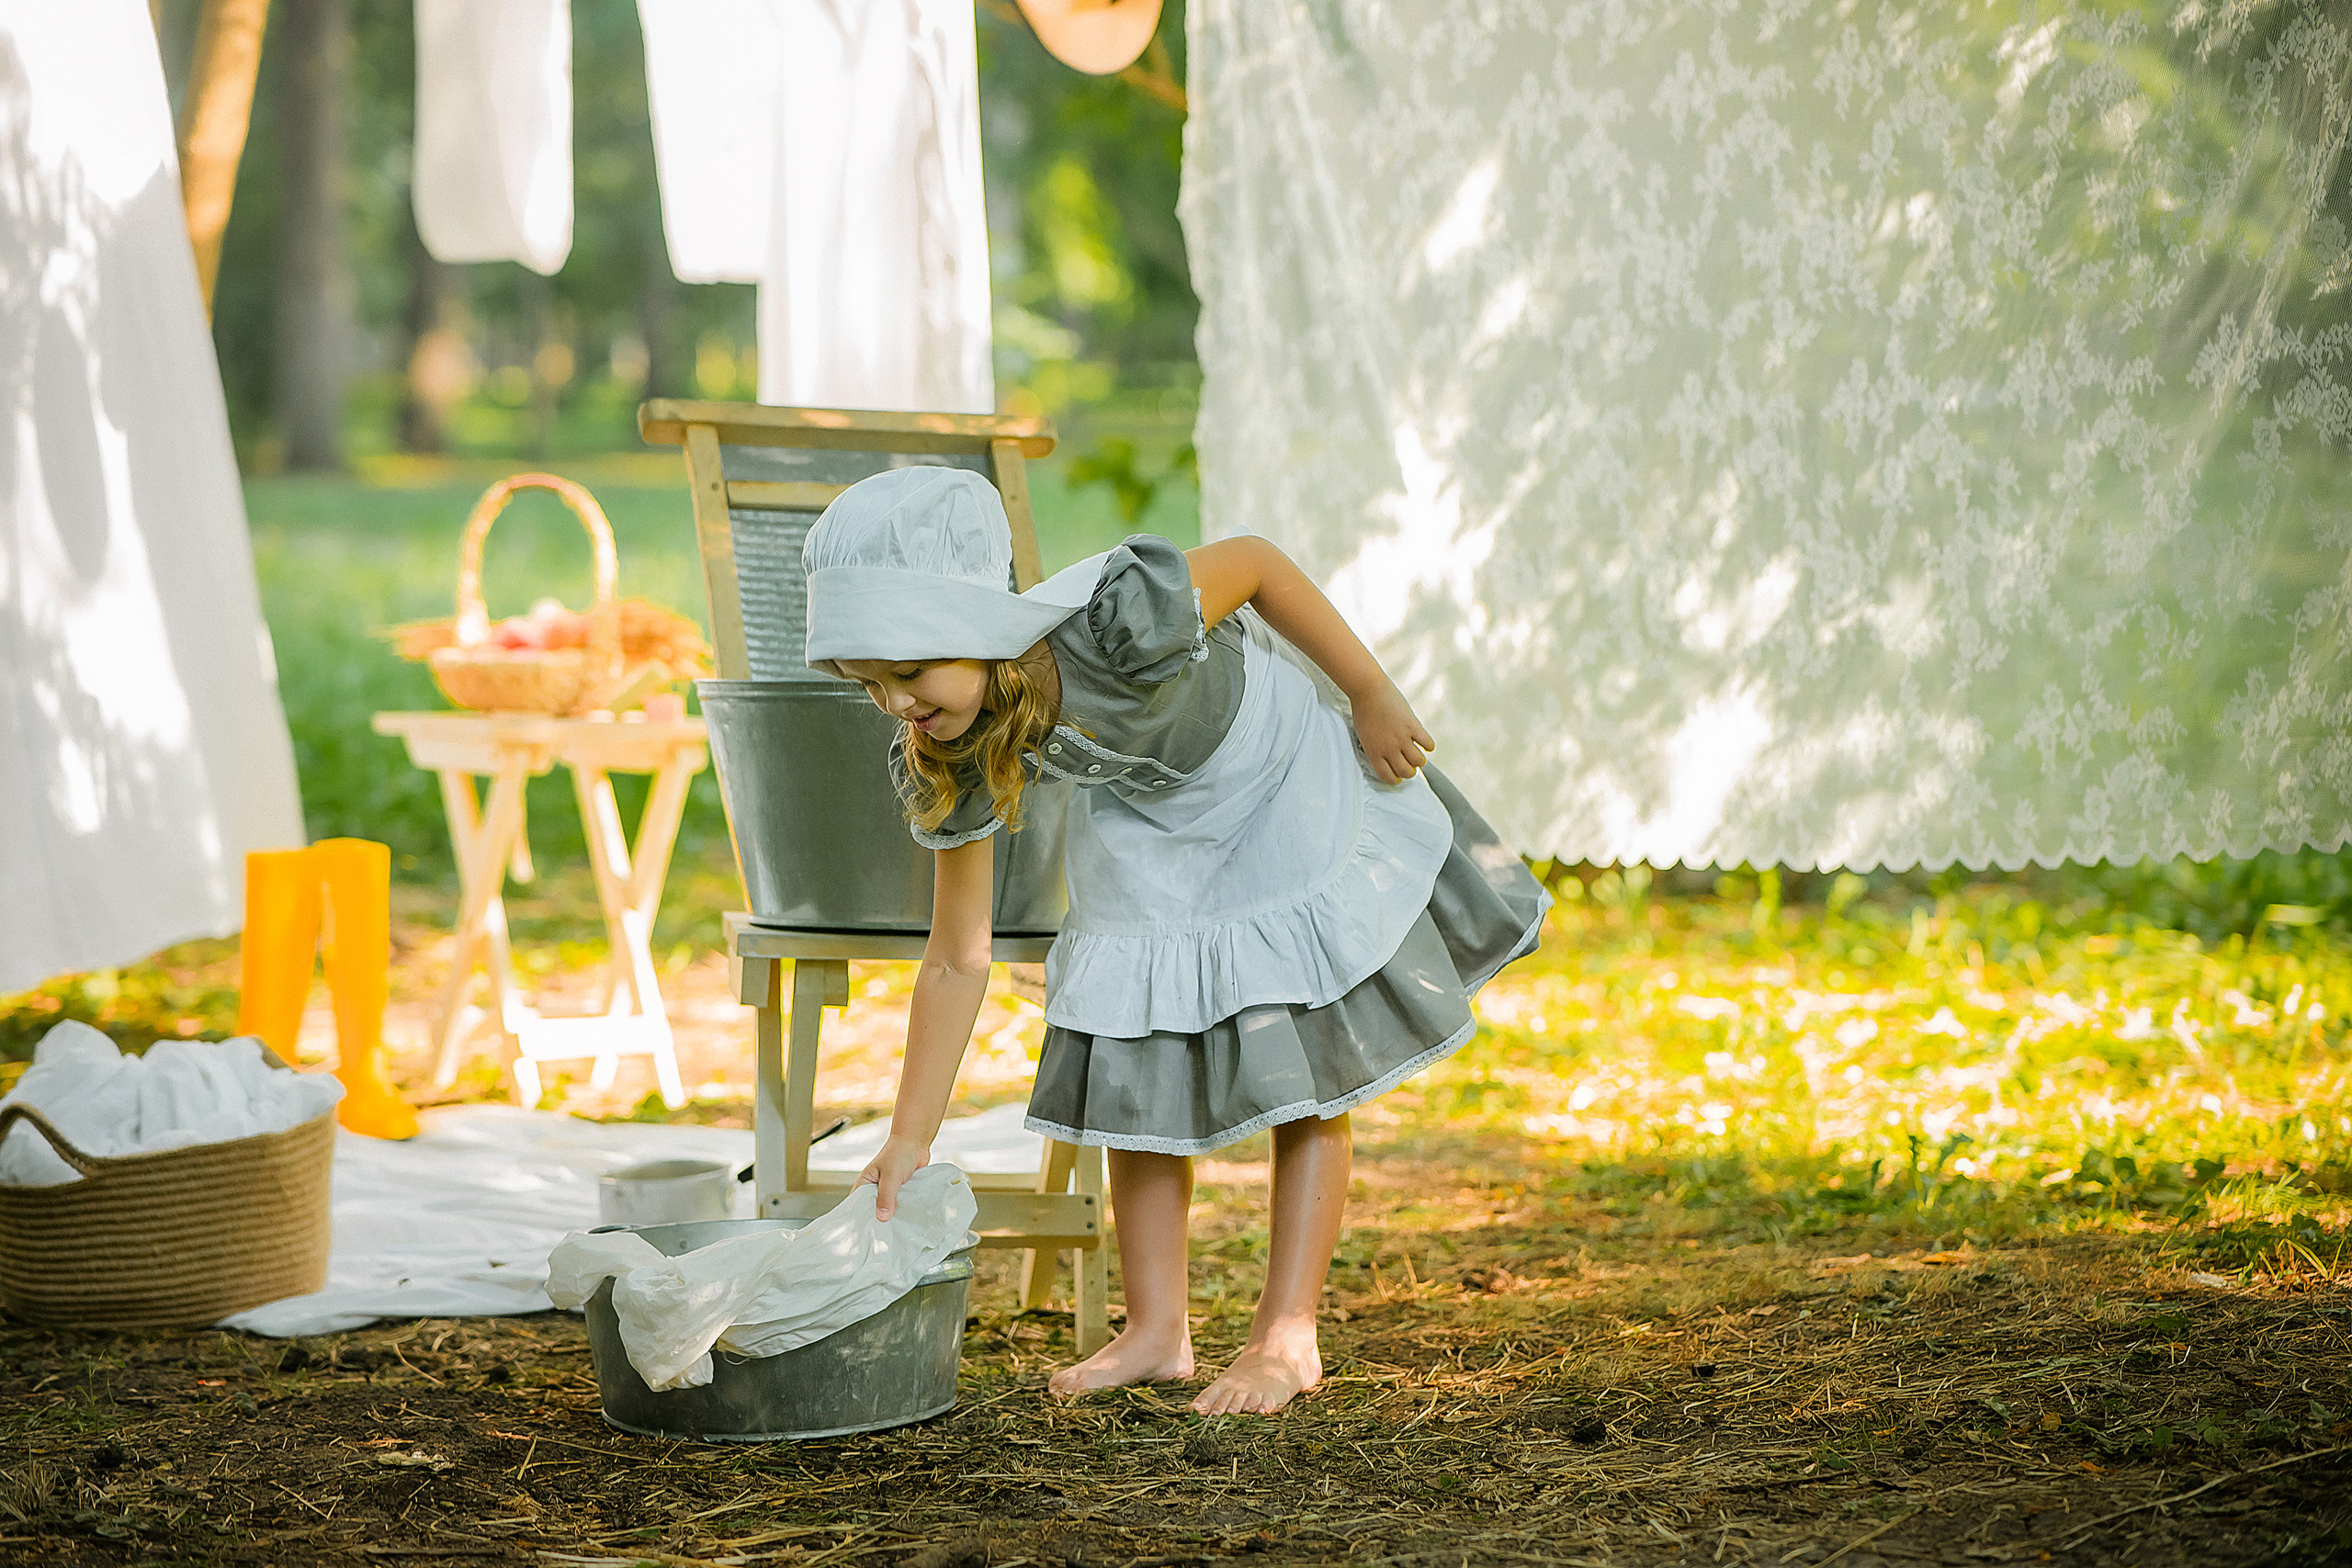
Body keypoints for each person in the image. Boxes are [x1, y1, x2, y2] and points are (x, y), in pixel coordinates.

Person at [802, 467, 1550, 1416]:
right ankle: (1157, 1330)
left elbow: (1260, 564)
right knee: (1130, 1040)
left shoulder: (1119, 619)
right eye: (869, 684)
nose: (894, 704)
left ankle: (1288, 1333)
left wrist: (1367, 690)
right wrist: (908, 1137)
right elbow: (957, 955)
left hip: (1273, 778)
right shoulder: (949, 742)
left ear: (978, 630)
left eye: (907, 672)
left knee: (1304, 1053)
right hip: (1155, 814)